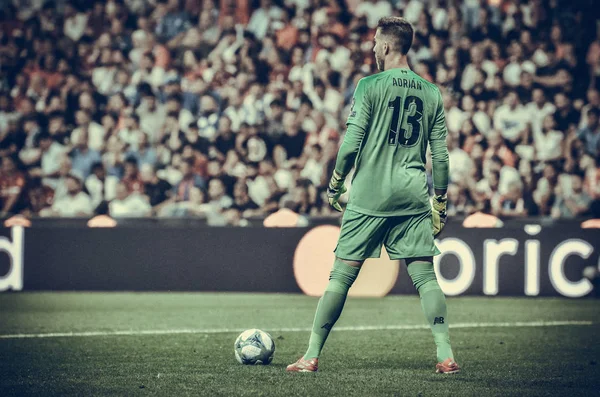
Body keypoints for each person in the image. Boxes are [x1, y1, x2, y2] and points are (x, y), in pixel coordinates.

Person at [287, 17, 458, 374]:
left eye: (374, 43)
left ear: (385, 46)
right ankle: (445, 354)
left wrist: (335, 182)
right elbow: (440, 157)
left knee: (341, 277)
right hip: (412, 196)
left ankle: (312, 355)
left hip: (369, 197)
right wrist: (439, 202)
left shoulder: (369, 86)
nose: (372, 49)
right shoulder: (431, 93)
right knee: (425, 277)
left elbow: (351, 143)